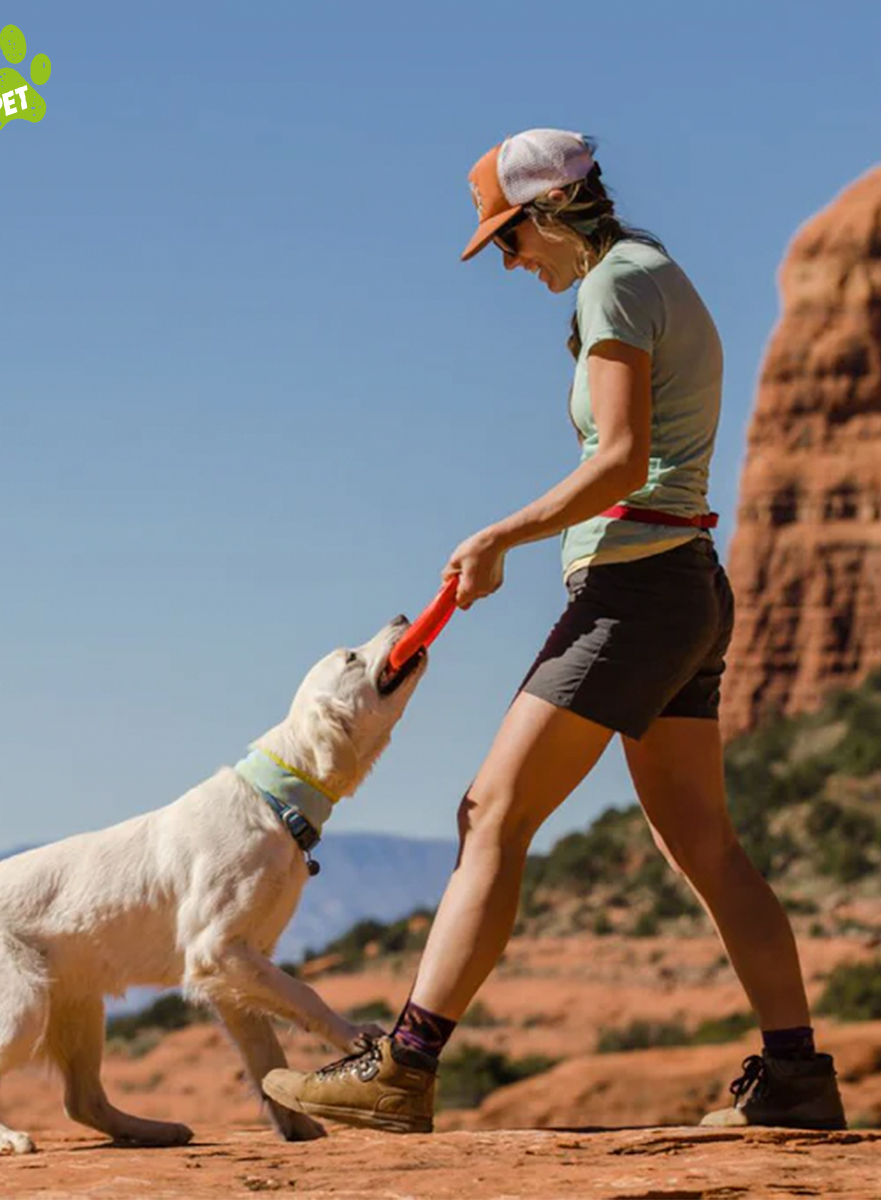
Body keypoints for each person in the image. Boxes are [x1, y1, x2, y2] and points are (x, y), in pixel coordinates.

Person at [262, 128, 846, 1135]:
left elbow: (620, 460)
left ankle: (403, 1065)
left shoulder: (613, 285)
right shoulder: (656, 271)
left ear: (546, 216)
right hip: (688, 586)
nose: (508, 261)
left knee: (491, 812)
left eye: (506, 240)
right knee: (705, 844)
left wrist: (502, 536)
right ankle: (796, 1076)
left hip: (637, 591)